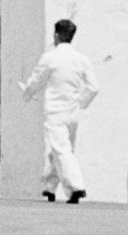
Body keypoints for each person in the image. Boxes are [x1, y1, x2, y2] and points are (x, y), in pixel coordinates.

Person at [19, 18, 99, 203]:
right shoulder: (82, 59)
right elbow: (94, 87)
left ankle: (76, 187)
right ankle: (49, 187)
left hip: (55, 112)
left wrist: (27, 93)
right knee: (62, 149)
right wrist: (81, 102)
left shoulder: (50, 57)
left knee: (61, 150)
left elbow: (36, 80)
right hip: (73, 113)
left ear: (56, 35)